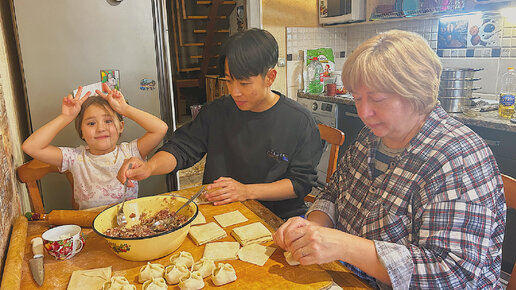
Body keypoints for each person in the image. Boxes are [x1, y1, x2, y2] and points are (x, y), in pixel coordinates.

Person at [273, 30, 506, 289]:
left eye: (377, 99)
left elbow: (451, 274)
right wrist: (309, 228)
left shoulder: (457, 157)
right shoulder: (369, 138)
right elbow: (333, 193)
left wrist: (342, 245)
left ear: (416, 92)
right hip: (349, 278)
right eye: (357, 98)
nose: (363, 112)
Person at [117, 28, 323, 219]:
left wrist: (245, 191)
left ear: (270, 77)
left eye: (244, 83)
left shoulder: (298, 121)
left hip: (277, 218)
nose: (234, 92)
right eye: (228, 81)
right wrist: (149, 167)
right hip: (222, 211)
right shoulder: (217, 111)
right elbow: (181, 148)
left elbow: (300, 183)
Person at [22, 83, 168, 209]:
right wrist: (65, 117)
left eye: (108, 121)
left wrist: (125, 109)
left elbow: (160, 129)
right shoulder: (74, 158)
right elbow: (31, 147)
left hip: (128, 224)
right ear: (82, 132)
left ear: (121, 126)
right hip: (90, 227)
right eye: (91, 123)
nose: (100, 128)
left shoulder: (131, 152)